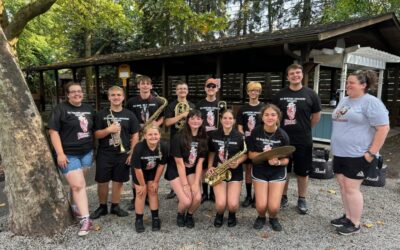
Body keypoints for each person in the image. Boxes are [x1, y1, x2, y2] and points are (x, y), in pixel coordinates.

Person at [330, 70, 389, 235]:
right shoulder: (345, 100)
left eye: (352, 83)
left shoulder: (371, 102)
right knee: (343, 185)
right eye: (347, 82)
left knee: (351, 188)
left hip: (358, 154)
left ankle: (355, 223)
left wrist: (371, 153)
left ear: (363, 85)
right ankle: (348, 217)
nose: (348, 85)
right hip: (340, 152)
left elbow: (383, 128)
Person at [48, 82, 95, 236]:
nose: (77, 94)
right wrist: (60, 154)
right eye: (73, 92)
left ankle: (74, 206)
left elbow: (92, 129)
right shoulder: (60, 109)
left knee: (76, 185)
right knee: (79, 185)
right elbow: (53, 132)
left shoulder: (88, 108)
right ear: (67, 94)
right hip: (68, 154)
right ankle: (86, 219)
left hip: (86, 152)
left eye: (79, 91)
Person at [273, 64, 321, 214]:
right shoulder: (279, 95)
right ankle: (283, 196)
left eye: (298, 72)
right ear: (287, 77)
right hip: (283, 139)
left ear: (302, 75)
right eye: (292, 73)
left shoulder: (311, 94)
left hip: (303, 140)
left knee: (302, 171)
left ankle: (302, 198)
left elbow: (316, 116)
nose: (295, 75)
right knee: (283, 169)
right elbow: (273, 115)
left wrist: (305, 129)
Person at [90, 86, 140, 220]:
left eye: (119, 95)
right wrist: (108, 130)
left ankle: (115, 206)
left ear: (123, 97)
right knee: (102, 181)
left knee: (118, 181)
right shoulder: (101, 114)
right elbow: (96, 134)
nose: (116, 97)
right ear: (109, 97)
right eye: (113, 95)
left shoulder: (129, 115)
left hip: (122, 153)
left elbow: (135, 134)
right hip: (105, 153)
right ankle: (102, 207)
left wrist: (132, 153)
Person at [247, 104, 290, 231]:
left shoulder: (283, 135)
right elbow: (251, 154)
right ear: (262, 117)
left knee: (273, 207)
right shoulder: (256, 131)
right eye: (266, 114)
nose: (269, 117)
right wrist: (266, 155)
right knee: (260, 206)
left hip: (277, 172)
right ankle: (261, 216)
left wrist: (277, 162)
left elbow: (286, 159)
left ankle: (273, 217)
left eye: (273, 115)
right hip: (260, 170)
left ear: (278, 117)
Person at [126, 75, 165, 210]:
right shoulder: (131, 102)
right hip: (137, 135)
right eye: (142, 84)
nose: (145, 86)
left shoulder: (158, 101)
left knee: (150, 163)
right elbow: (128, 118)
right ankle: (136, 196)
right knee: (136, 166)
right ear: (138, 86)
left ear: (151, 86)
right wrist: (137, 127)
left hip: (151, 136)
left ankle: (149, 195)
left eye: (147, 84)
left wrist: (156, 124)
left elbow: (162, 118)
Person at [164, 109, 207, 228]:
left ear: (202, 121)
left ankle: (190, 215)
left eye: (198, 118)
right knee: (187, 201)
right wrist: (185, 185)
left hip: (192, 169)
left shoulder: (203, 138)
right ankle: (180, 213)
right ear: (187, 120)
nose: (195, 121)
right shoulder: (178, 137)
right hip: (176, 170)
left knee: (197, 198)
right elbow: (179, 164)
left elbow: (200, 163)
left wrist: (196, 183)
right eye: (192, 118)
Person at [207, 109, 247, 227]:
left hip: (235, 172)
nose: (227, 120)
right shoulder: (213, 134)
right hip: (219, 171)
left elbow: (245, 154)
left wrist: (238, 161)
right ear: (221, 120)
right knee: (220, 204)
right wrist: (210, 166)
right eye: (225, 118)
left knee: (233, 205)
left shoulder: (239, 136)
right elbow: (212, 152)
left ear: (234, 121)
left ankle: (232, 214)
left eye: (230, 118)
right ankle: (219, 214)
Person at [132, 125, 169, 233]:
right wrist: (143, 185)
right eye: (150, 134)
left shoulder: (163, 146)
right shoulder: (139, 147)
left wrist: (156, 182)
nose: (153, 136)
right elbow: (137, 169)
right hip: (140, 171)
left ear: (160, 135)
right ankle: (138, 219)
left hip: (153, 171)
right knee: (141, 193)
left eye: (155, 134)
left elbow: (161, 165)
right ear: (144, 136)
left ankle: (155, 218)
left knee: (153, 191)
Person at [164, 80, 195, 199]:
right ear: (176, 91)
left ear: (187, 91)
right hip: (175, 138)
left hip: (189, 139)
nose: (182, 91)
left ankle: (187, 186)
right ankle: (174, 188)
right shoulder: (171, 106)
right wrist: (182, 115)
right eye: (180, 89)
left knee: (188, 162)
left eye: (184, 89)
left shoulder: (192, 106)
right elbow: (167, 123)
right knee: (174, 164)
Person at [236, 81, 265, 207]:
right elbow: (240, 126)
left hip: (259, 143)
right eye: (251, 90)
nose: (254, 93)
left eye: (256, 90)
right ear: (248, 92)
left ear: (259, 92)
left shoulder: (263, 108)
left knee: (258, 169)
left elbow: (266, 125)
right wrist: (243, 137)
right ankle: (248, 196)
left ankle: (256, 196)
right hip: (247, 143)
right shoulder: (243, 109)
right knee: (248, 168)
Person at [196, 77, 223, 203]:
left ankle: (213, 192)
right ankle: (204, 192)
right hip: (203, 139)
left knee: (213, 166)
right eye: (208, 86)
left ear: (217, 89)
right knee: (203, 167)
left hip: (217, 139)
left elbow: (225, 122)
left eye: (214, 86)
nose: (211, 88)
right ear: (205, 88)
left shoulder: (221, 104)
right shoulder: (200, 104)